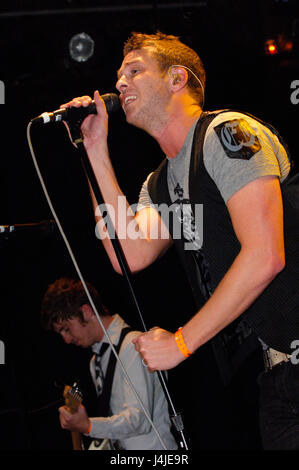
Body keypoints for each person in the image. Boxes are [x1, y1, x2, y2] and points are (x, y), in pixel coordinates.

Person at [60, 32, 299, 449]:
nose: (120, 83)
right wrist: (95, 149)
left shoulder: (226, 133)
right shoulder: (162, 184)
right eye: (119, 75)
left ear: (176, 79)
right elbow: (127, 254)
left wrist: (181, 342)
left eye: (134, 71)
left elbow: (265, 255)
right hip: (277, 372)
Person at [41, 277, 178, 450]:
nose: (66, 339)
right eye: (61, 333)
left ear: (86, 311)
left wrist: (89, 426)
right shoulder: (96, 361)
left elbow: (140, 420)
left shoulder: (134, 345)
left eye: (67, 329)